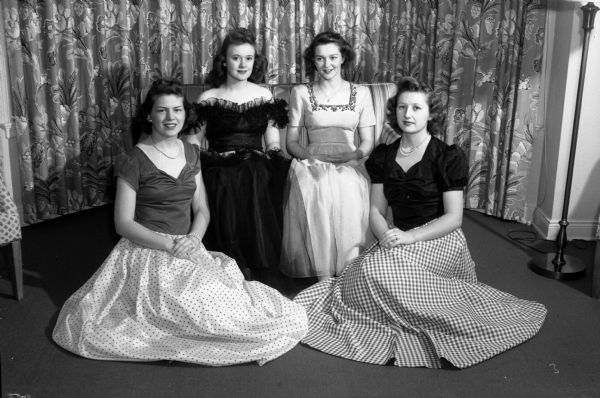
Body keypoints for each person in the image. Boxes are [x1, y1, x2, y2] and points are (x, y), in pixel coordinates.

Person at [293, 76, 547, 369]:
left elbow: (454, 218)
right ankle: (397, 309)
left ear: (431, 114)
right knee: (359, 274)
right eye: (402, 107)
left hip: (438, 239)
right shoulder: (383, 156)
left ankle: (433, 312)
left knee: (375, 272)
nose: (408, 114)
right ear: (394, 112)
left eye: (416, 108)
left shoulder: (446, 156)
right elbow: (376, 210)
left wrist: (410, 238)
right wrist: (386, 235)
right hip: (398, 238)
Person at [52, 78, 307, 366]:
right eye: (162, 111)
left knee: (234, 309)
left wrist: (194, 239)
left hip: (188, 247)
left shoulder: (191, 153)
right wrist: (170, 244)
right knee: (196, 313)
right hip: (148, 251)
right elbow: (123, 224)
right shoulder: (132, 160)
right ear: (149, 115)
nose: (171, 118)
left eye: (177, 110)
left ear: (185, 114)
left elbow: (202, 210)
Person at [187, 28, 289, 280]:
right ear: (224, 60)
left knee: (255, 171)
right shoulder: (209, 98)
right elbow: (192, 143)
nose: (243, 64)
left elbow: (272, 140)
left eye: (249, 58)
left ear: (255, 61)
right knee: (226, 179)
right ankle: (229, 269)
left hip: (255, 166)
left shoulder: (265, 95)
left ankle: (255, 268)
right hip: (218, 167)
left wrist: (275, 158)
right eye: (236, 58)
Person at [280, 31, 376, 280]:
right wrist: (311, 159)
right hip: (312, 160)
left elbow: (368, 142)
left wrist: (354, 155)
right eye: (320, 58)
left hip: (350, 159)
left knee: (348, 186)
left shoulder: (361, 93)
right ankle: (323, 276)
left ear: (343, 57)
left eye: (333, 57)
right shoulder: (301, 92)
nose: (327, 64)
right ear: (313, 60)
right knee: (318, 188)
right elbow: (291, 143)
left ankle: (348, 273)